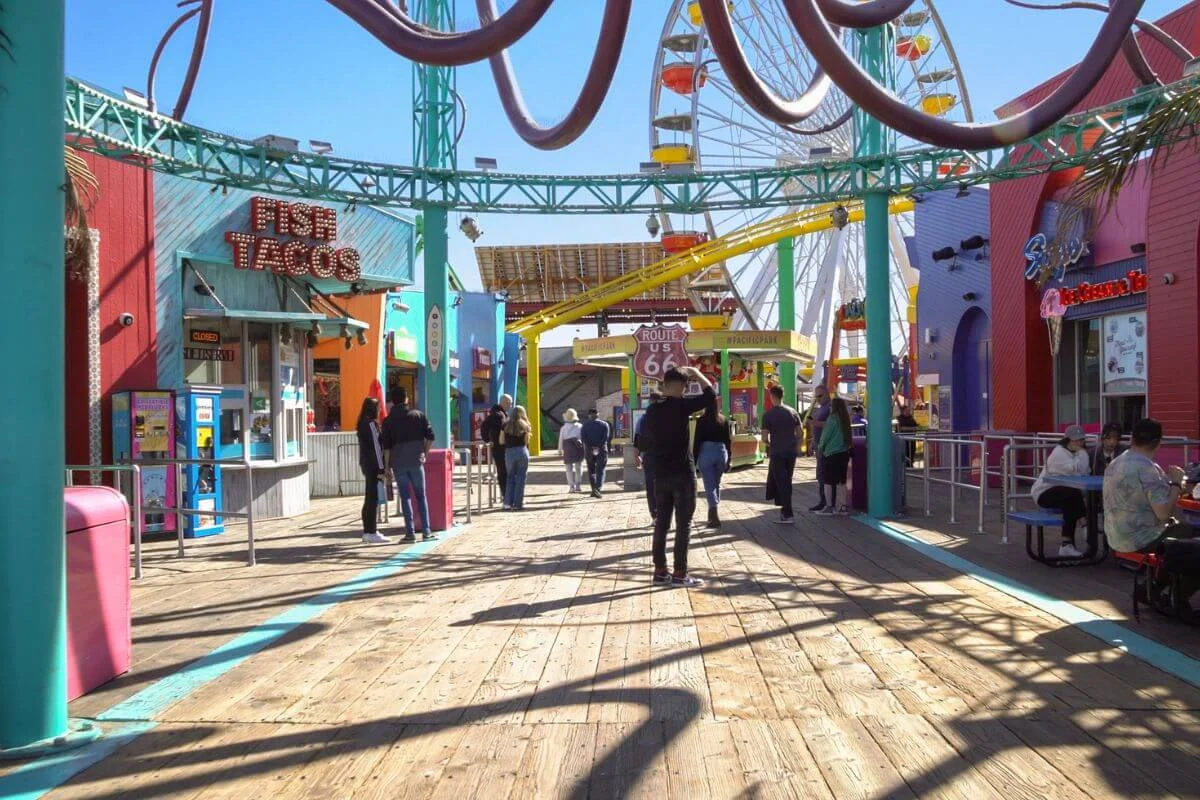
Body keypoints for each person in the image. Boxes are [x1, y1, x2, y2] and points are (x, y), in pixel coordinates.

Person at [1104, 418, 1199, 616]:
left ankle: (1156, 586)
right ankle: (1174, 594)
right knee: (1191, 539)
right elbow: (1163, 513)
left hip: (1116, 535)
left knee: (1184, 536)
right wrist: (1175, 483)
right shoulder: (1148, 469)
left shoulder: (1116, 462)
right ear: (1158, 442)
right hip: (1139, 538)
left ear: (1132, 438)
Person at [640, 366, 714, 587]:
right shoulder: (682, 406)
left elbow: (645, 442)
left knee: (661, 523)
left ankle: (660, 571)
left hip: (660, 474)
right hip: (683, 473)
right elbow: (710, 395)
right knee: (684, 524)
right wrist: (697, 373)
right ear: (683, 386)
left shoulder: (652, 410)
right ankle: (680, 573)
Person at [381, 387, 436, 542]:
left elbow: (386, 447)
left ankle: (410, 533)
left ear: (392, 401)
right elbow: (431, 437)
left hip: (398, 464)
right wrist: (424, 452)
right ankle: (426, 532)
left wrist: (386, 467)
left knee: (405, 497)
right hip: (416, 461)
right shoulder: (418, 415)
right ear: (406, 399)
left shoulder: (388, 421)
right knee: (421, 496)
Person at [1030, 425, 1091, 558]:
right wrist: (1079, 463)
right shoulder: (1058, 453)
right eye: (1075, 440)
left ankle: (1067, 544)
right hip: (1044, 492)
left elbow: (1083, 471)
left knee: (1072, 501)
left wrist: (1079, 463)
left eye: (1081, 440)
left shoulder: (1081, 452)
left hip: (1067, 493)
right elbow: (1075, 470)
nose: (1078, 443)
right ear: (1067, 439)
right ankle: (1085, 523)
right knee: (1073, 495)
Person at [763, 384, 802, 524]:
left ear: (772, 396)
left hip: (777, 453)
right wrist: (796, 446)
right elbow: (800, 432)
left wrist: (770, 444)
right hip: (791, 452)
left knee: (782, 482)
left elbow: (764, 438)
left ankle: (787, 513)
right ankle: (785, 511)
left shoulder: (768, 415)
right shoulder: (793, 412)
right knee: (787, 481)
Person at [693, 393, 733, 528]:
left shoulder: (701, 420)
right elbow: (728, 441)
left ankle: (714, 513)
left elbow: (697, 442)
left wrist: (693, 459)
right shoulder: (723, 420)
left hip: (706, 452)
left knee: (709, 486)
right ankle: (712, 513)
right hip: (721, 453)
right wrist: (730, 459)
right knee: (716, 484)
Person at [356, 397, 391, 544]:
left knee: (369, 498)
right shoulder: (371, 424)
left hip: (367, 464)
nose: (380, 411)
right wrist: (382, 468)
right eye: (378, 408)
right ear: (373, 409)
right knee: (373, 499)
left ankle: (368, 531)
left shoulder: (362, 423)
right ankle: (371, 531)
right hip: (373, 465)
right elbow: (377, 448)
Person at [817, 398, 853, 515]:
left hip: (832, 454)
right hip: (844, 453)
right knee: (842, 481)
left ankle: (829, 507)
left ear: (835, 406)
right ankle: (843, 507)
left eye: (831, 405)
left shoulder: (832, 419)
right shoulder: (845, 420)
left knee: (828, 481)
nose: (830, 407)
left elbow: (825, 436)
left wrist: (820, 448)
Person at [633, 392, 664, 521]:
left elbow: (637, 439)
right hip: (665, 455)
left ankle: (655, 515)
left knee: (650, 485)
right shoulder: (666, 418)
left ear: (650, 402)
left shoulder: (642, 419)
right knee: (664, 484)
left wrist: (637, 456)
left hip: (649, 456)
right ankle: (664, 513)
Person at [481, 394, 512, 508]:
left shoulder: (502, 414)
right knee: (503, 473)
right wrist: (488, 440)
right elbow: (484, 426)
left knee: (505, 472)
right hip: (499, 449)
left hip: (502, 448)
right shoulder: (497, 415)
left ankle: (506, 496)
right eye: (509, 403)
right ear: (503, 402)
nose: (511, 405)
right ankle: (506, 497)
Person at [805, 385, 832, 511]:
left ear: (827, 394)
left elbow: (832, 424)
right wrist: (812, 442)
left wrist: (814, 423)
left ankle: (827, 502)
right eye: (816, 396)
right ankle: (823, 500)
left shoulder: (830, 408)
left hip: (826, 446)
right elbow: (815, 428)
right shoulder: (820, 409)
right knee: (821, 474)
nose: (818, 399)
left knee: (825, 474)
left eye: (820, 396)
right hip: (819, 444)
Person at [502, 405, 533, 510]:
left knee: (510, 477)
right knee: (521, 478)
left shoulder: (505, 425)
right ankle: (517, 504)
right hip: (522, 451)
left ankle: (507, 503)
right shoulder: (525, 425)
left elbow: (501, 441)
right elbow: (526, 441)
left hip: (509, 452)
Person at [581, 408, 612, 498]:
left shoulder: (585, 426)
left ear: (589, 415)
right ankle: (597, 489)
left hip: (589, 451)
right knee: (600, 469)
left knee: (591, 470)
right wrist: (598, 446)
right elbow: (606, 438)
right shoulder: (605, 424)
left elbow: (584, 439)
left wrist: (592, 446)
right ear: (598, 414)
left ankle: (593, 489)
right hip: (602, 450)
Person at [558, 408, 585, 493]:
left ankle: (571, 486)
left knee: (568, 468)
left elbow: (561, 439)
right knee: (579, 467)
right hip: (578, 448)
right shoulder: (580, 426)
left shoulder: (563, 428)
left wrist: (560, 449)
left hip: (568, 448)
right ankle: (578, 485)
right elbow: (582, 438)